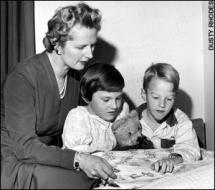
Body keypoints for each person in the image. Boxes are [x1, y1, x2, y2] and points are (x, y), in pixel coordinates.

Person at [1, 2, 118, 189]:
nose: (89, 54)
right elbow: (24, 147)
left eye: (92, 46)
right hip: (14, 161)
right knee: (85, 182)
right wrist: (79, 159)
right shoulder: (22, 77)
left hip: (47, 157)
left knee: (108, 176)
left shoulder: (75, 78)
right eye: (81, 47)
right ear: (58, 44)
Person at [136, 63, 201, 174]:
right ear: (144, 94)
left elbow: (190, 149)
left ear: (175, 97)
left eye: (169, 99)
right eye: (156, 97)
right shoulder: (130, 120)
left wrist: (172, 159)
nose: (162, 104)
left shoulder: (181, 121)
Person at [62, 63, 129, 153]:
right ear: (87, 97)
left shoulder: (116, 115)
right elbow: (79, 157)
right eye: (106, 100)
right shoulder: (79, 117)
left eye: (118, 98)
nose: (114, 106)